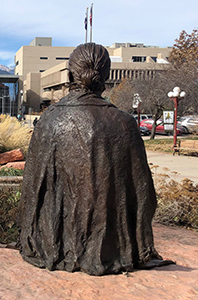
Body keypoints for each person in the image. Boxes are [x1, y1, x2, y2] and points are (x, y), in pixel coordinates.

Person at [18, 43, 173, 276]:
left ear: (70, 75)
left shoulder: (49, 120)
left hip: (53, 242)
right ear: (107, 76)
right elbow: (144, 194)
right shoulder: (124, 122)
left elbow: (31, 190)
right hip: (112, 247)